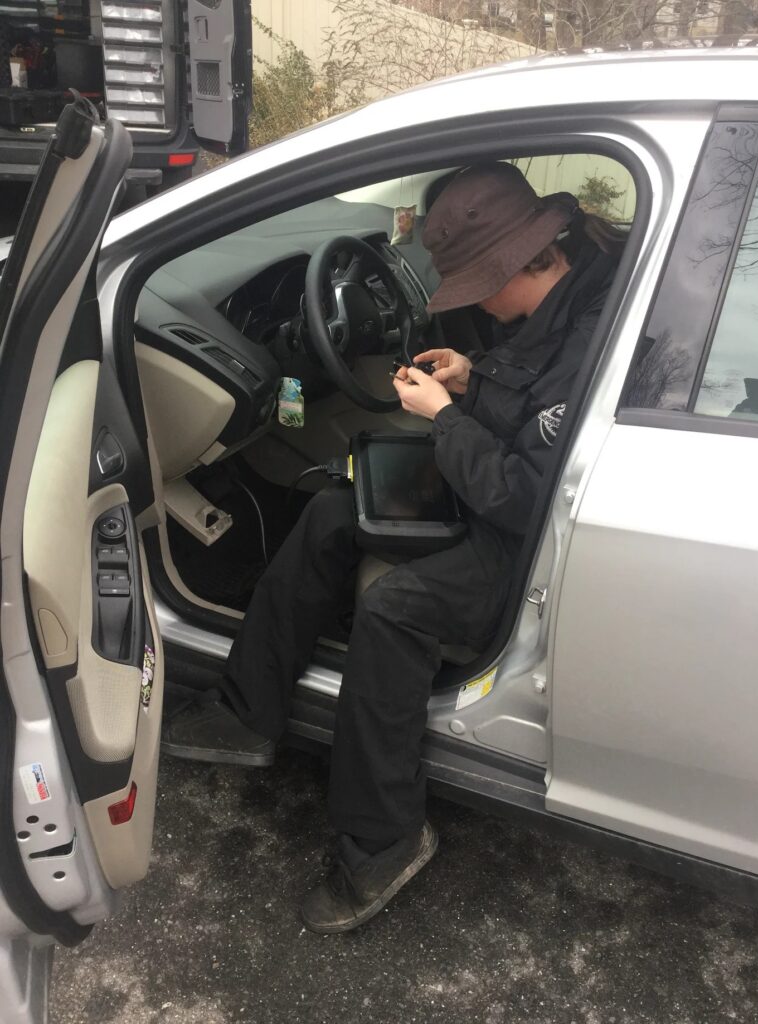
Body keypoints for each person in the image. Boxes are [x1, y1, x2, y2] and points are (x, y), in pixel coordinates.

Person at [162, 162, 624, 933]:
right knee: (335, 508)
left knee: (394, 610)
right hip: (511, 494)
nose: (471, 301)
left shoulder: (593, 329)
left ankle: (383, 841)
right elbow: (537, 409)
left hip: (535, 543)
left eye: (475, 283)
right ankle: (248, 711)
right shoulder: (572, 299)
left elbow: (520, 494)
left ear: (516, 263)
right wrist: (473, 381)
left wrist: (444, 416)